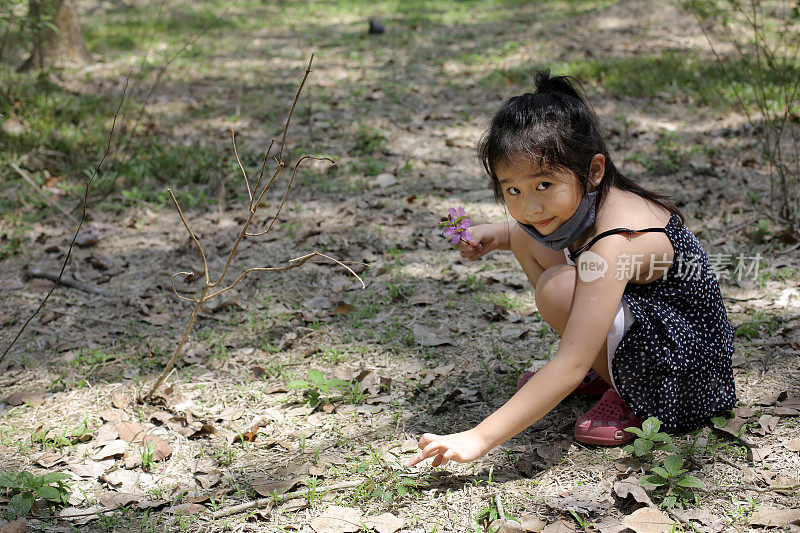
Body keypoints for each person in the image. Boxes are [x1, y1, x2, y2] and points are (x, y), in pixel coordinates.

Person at [406, 70, 736, 468]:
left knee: (558, 289)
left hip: (684, 379)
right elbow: (525, 229)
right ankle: (612, 368)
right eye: (513, 190)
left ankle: (629, 393)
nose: (530, 206)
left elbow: (569, 363)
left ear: (593, 170)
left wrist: (478, 438)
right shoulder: (595, 200)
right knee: (530, 236)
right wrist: (497, 234)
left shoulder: (616, 240)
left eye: (544, 185)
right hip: (661, 334)